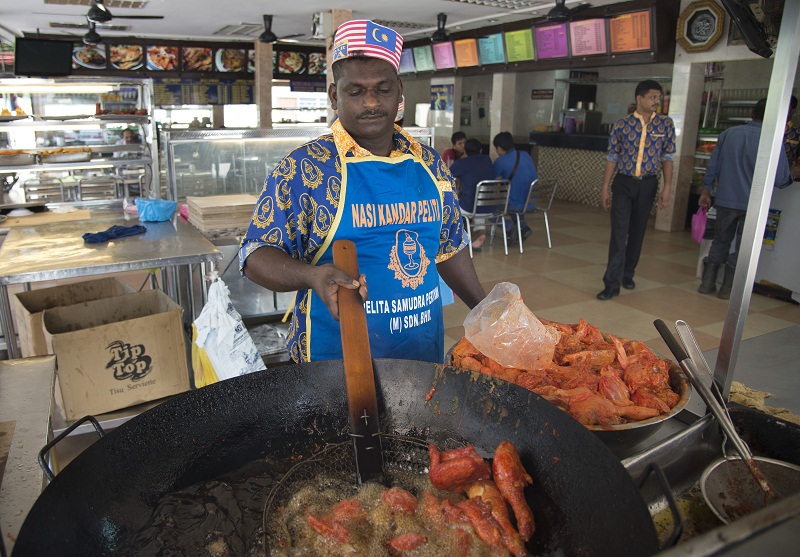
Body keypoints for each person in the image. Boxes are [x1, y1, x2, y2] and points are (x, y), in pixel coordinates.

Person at [239, 19, 485, 365]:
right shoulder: (305, 169)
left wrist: (488, 313)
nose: (371, 103)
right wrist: (312, 275)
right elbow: (255, 255)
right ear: (334, 95)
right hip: (333, 360)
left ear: (399, 91)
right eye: (355, 91)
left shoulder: (429, 163)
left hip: (421, 353)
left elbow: (450, 246)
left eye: (382, 89)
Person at [698, 98, 797, 299]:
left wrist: (706, 190)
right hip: (754, 205)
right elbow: (780, 179)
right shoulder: (773, 140)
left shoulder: (729, 134)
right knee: (743, 247)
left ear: (752, 113)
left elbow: (713, 166)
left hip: (725, 200)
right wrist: (792, 173)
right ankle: (727, 290)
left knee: (720, 241)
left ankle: (706, 285)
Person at [597, 80, 675, 301]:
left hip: (648, 183)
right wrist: (605, 187)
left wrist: (667, 187)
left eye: (658, 98)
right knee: (619, 233)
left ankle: (628, 273)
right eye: (652, 97)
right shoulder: (622, 125)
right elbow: (612, 157)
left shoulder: (665, 125)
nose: (656, 101)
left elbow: (668, 157)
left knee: (638, 231)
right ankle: (611, 283)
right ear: (639, 98)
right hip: (623, 183)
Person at [450, 138, 495, 251]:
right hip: (490, 206)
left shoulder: (462, 163)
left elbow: (446, 174)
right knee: (477, 204)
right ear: (480, 150)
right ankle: (480, 234)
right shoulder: (487, 159)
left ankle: (452, 239)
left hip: (469, 208)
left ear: (465, 151)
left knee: (450, 206)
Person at [492, 131, 537, 241]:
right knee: (513, 197)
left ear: (499, 148)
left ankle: (509, 227)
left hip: (515, 204)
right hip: (531, 203)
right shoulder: (526, 155)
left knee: (485, 208)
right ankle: (523, 227)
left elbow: (489, 181)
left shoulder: (500, 161)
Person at [783, 95, 799, 164]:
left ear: (793, 110)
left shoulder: (798, 131)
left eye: (785, 106)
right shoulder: (765, 128)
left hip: (789, 172)